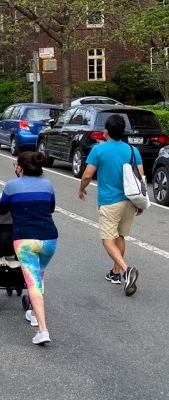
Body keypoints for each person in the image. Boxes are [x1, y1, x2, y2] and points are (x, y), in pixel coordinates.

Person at [0, 151, 58, 345]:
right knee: (39, 274)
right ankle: (32, 312)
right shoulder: (48, 185)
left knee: (33, 284)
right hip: (49, 239)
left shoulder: (11, 186)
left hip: (24, 241)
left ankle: (43, 330)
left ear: (20, 167)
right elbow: (50, 208)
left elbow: (2, 210)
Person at [79, 114, 142, 296]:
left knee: (108, 240)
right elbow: (140, 177)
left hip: (109, 201)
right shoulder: (132, 151)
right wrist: (140, 203)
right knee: (120, 236)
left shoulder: (99, 150)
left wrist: (81, 189)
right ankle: (115, 273)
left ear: (106, 131)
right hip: (129, 201)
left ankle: (126, 270)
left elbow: (87, 175)